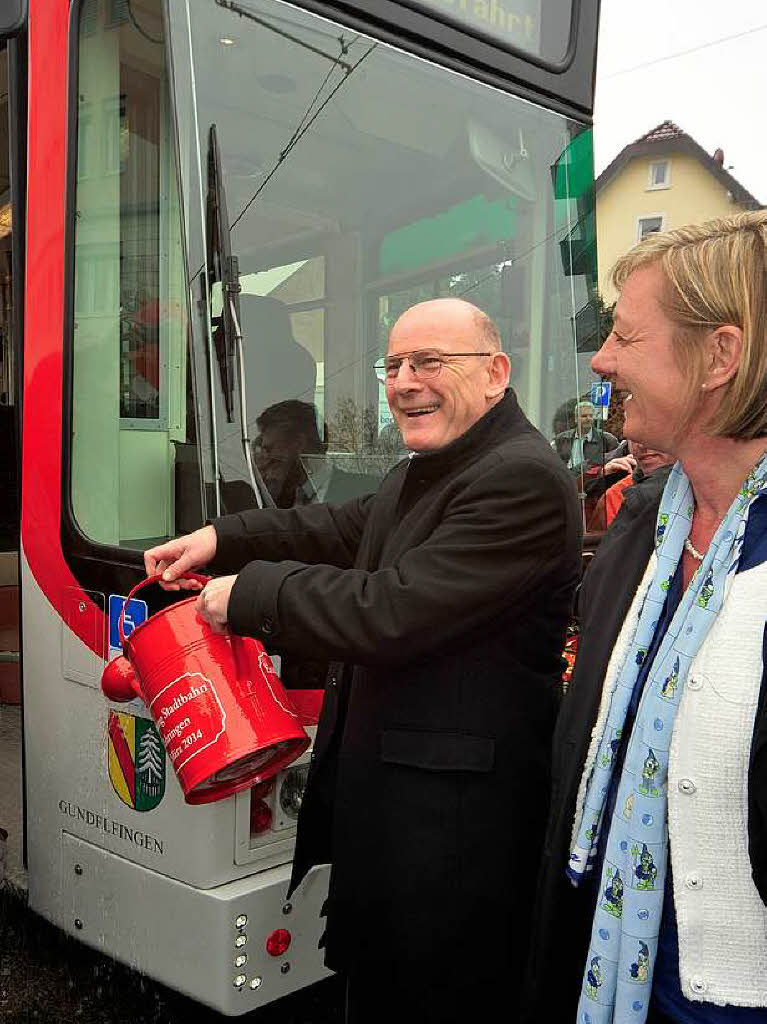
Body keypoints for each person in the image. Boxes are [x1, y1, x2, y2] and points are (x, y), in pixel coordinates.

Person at [144, 297, 582, 1023]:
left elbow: (390, 610)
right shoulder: (439, 464)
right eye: (394, 365)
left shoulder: (520, 478)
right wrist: (219, 538)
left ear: (496, 372)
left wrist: (243, 595)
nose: (404, 380)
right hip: (402, 828)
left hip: (453, 845)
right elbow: (334, 527)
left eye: (429, 361)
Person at [523, 210, 767, 1024]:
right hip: (609, 972)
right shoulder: (644, 524)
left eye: (625, 337)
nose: (599, 360)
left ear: (719, 356)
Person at [253, 399, 380, 508]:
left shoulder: (368, 493)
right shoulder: (276, 498)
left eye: (270, 449)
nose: (266, 458)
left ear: (298, 444)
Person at [587, 441, 674, 531]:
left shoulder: (688, 483)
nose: (642, 444)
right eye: (634, 438)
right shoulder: (615, 496)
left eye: (654, 433)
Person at [552, 399, 620, 472]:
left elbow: (616, 463)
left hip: (591, 480)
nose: (588, 419)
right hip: (567, 479)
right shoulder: (562, 439)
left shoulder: (607, 440)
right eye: (584, 416)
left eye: (591, 416)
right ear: (576, 418)